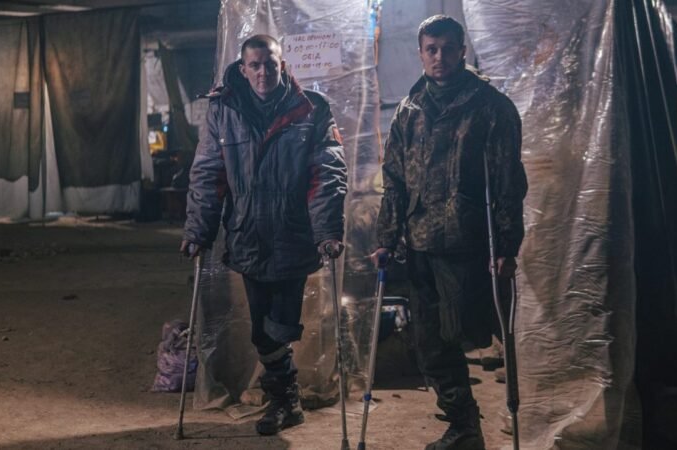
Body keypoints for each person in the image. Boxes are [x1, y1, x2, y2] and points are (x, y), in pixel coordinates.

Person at [372, 15, 527, 450]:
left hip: (467, 241)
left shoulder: (491, 107)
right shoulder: (409, 109)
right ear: (421, 53)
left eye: (447, 48)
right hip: (420, 241)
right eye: (431, 49)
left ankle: (477, 423)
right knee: (429, 344)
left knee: (462, 332)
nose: (439, 57)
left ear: (462, 50)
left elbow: (508, 183)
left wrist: (507, 244)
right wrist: (386, 238)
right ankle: (463, 426)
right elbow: (395, 180)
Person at [181, 34, 347, 436]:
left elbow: (326, 173)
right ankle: (286, 401)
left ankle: (284, 399)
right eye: (254, 65)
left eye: (269, 64)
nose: (262, 72)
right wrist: (199, 228)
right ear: (243, 69)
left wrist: (327, 230)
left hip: (292, 235)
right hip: (249, 235)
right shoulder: (224, 110)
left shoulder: (311, 108)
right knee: (262, 330)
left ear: (282, 65)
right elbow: (209, 172)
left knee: (280, 327)